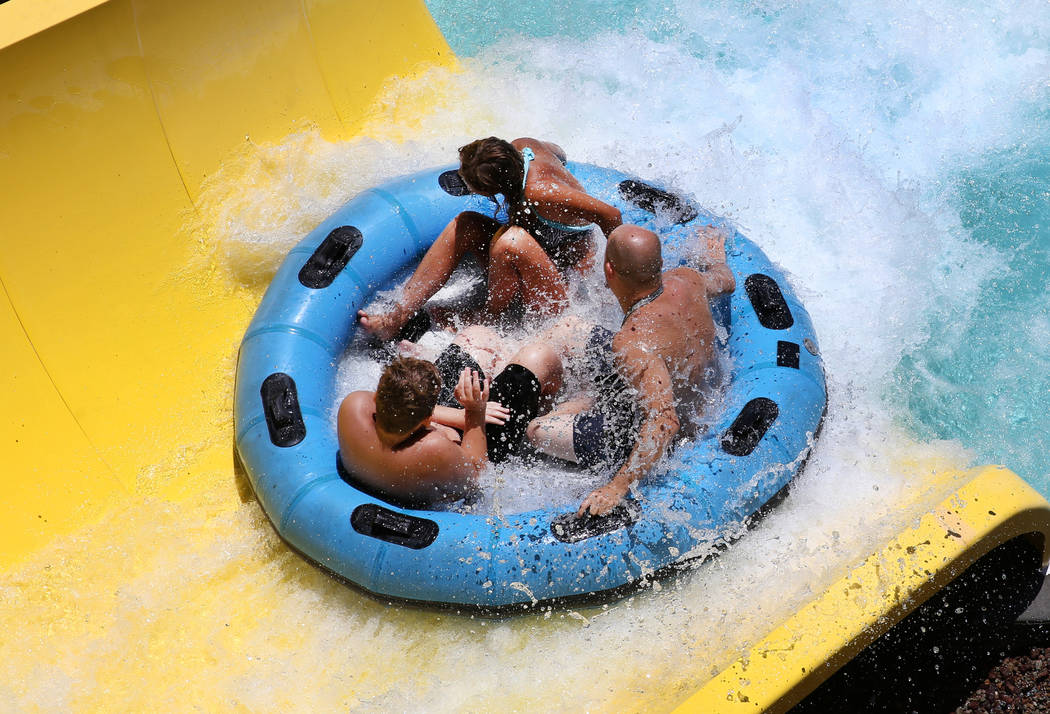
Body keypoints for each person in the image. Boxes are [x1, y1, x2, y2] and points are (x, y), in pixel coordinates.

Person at [526, 224, 736, 516]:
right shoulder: (687, 279)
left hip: (662, 432)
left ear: (608, 270)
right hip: (683, 386)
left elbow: (664, 421)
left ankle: (571, 407)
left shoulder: (634, 342)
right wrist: (716, 258)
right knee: (570, 329)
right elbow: (725, 280)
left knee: (536, 429)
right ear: (660, 265)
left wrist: (615, 488)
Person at [358, 137, 623, 341]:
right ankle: (400, 313)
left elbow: (611, 215)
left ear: (491, 189)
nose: (462, 180)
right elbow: (558, 152)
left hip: (564, 281)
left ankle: (492, 317)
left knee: (511, 242)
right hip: (541, 251)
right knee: (465, 224)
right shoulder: (521, 148)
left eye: (468, 180)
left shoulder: (539, 192)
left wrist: (611, 280)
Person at [337, 328, 563, 506]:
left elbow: (400, 407)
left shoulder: (354, 407)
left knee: (476, 336)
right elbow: (478, 475)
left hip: (428, 429)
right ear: (427, 420)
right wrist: (475, 411)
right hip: (478, 446)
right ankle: (540, 410)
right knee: (540, 356)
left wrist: (458, 415)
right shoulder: (434, 447)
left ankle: (495, 371)